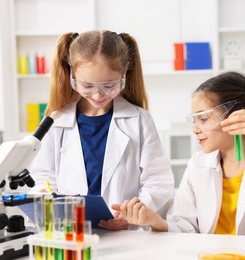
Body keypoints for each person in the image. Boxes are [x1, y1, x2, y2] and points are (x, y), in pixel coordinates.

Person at [113, 71, 245, 241]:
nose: (196, 130)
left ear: (236, 115)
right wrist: (156, 222)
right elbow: (185, 226)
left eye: (204, 119)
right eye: (194, 120)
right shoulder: (198, 165)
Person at [29, 30, 175, 231]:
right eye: (87, 85)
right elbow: (43, 179)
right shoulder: (55, 121)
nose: (98, 95)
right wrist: (59, 212)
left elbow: (158, 181)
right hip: (70, 233)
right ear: (72, 75)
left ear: (124, 74)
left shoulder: (139, 120)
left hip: (126, 235)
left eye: (109, 85)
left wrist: (134, 213)